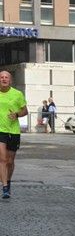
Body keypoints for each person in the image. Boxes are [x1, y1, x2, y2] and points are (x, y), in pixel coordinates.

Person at [0, 70, 28, 199]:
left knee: (10, 161)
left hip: (13, 131)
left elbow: (25, 111)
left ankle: (8, 181)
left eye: (6, 77)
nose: (4, 79)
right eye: (1, 77)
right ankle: (5, 188)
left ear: (10, 80)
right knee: (2, 159)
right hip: (1, 130)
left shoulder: (17, 94)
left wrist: (16, 114)